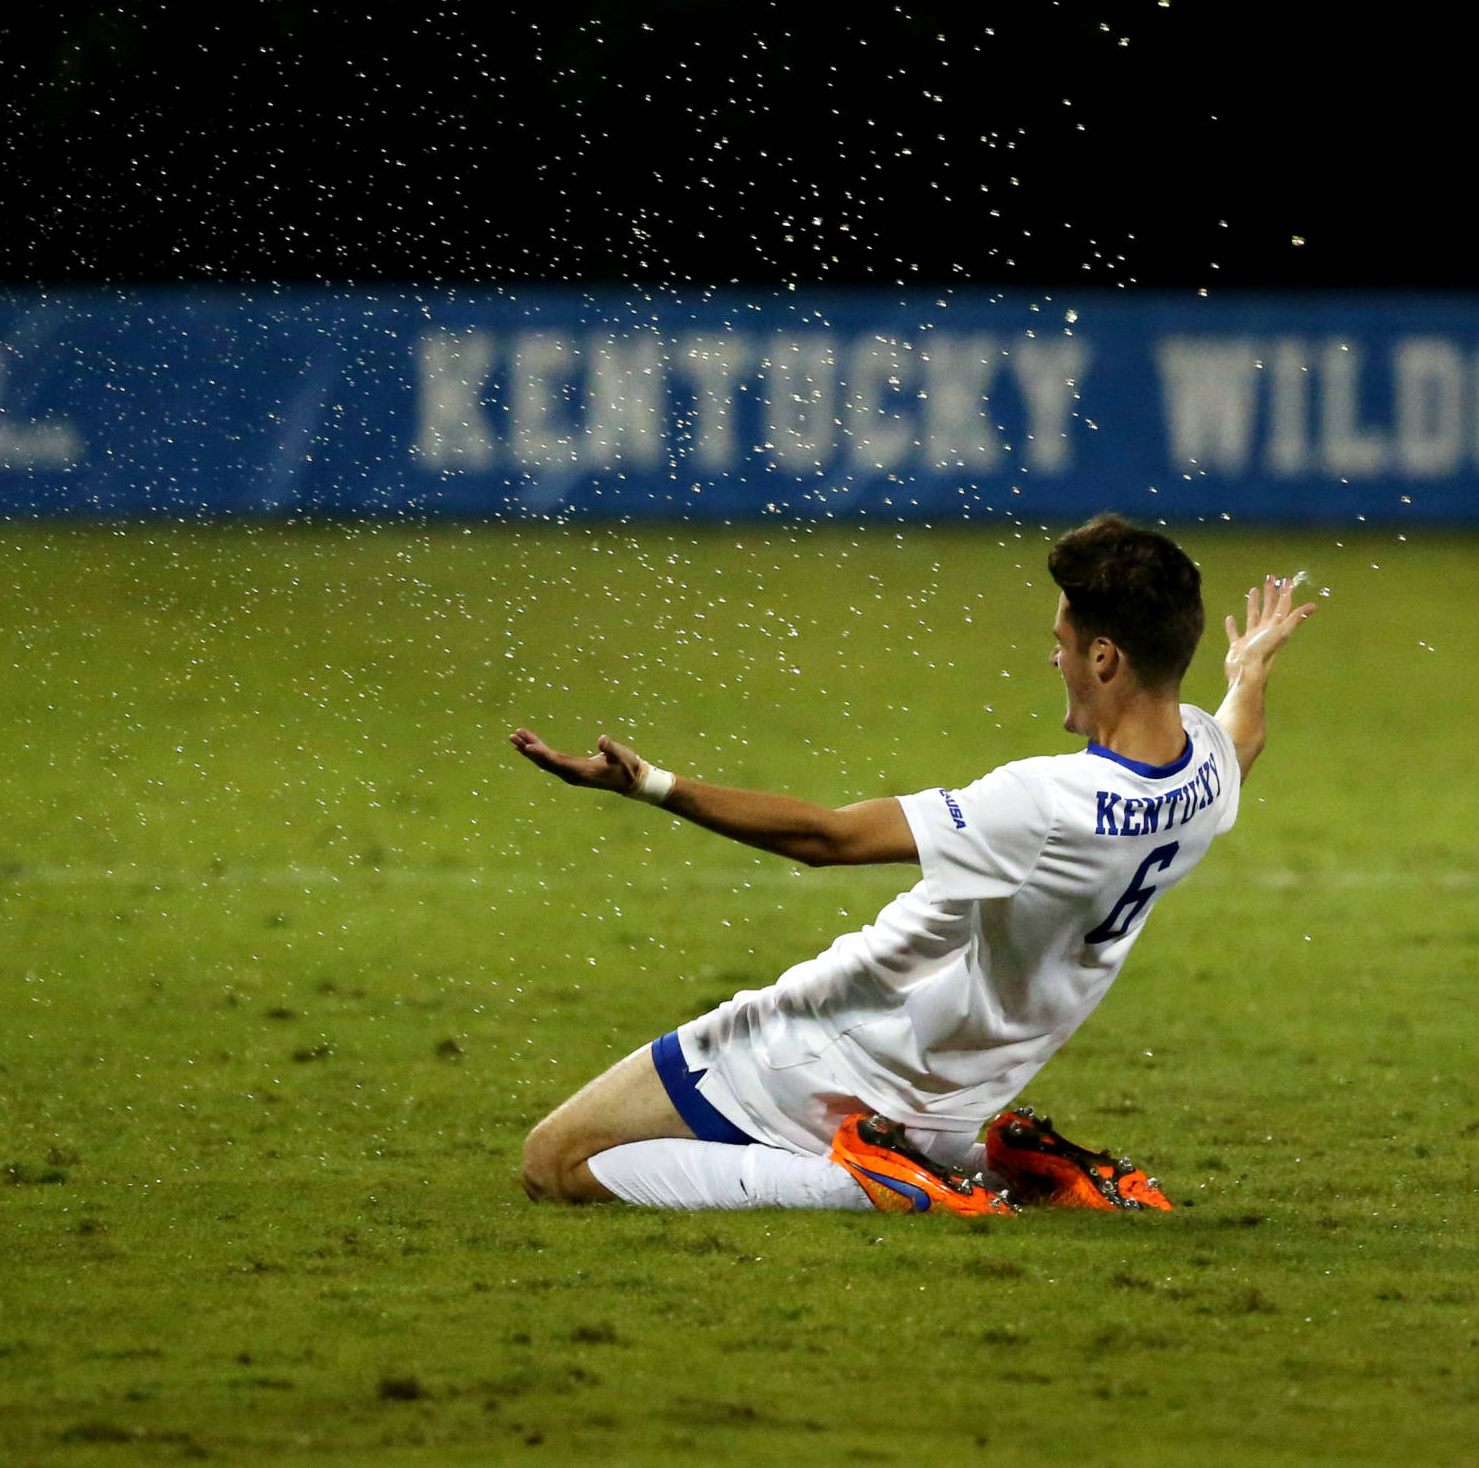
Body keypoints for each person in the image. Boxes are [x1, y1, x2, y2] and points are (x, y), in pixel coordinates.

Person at [508, 514, 1316, 1214]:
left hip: (829, 1047)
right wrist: (1249, 670)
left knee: (556, 1162)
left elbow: (831, 839)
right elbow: (1242, 730)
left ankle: (870, 1181)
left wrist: (650, 784)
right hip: (956, 1090)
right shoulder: (1205, 772)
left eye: (1061, 643)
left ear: (1105, 660)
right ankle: (991, 1162)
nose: (1055, 661)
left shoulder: (1044, 801)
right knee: (589, 1155)